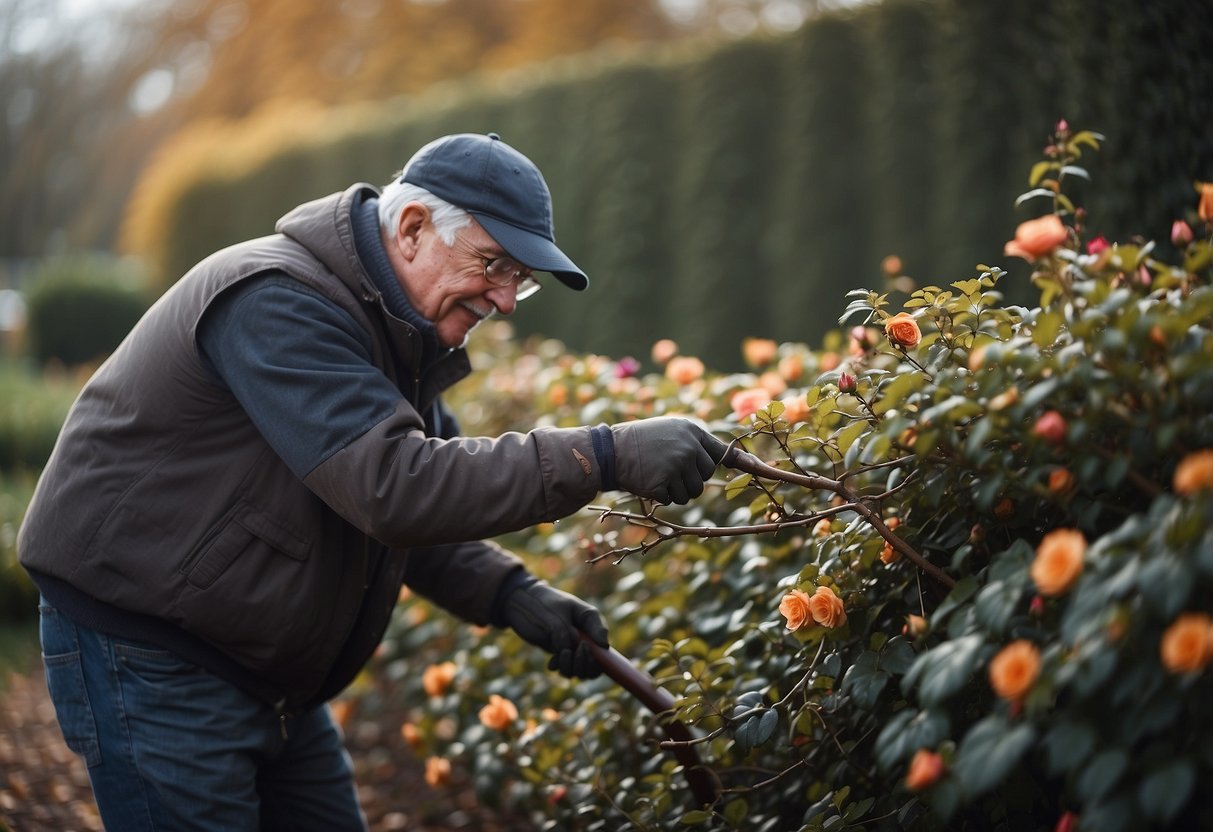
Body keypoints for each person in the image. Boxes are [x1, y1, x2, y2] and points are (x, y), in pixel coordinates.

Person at [18, 132, 727, 830]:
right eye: (494, 264)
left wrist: (513, 595)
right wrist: (602, 455)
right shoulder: (277, 303)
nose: (507, 300)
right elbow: (397, 489)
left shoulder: (394, 330)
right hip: (153, 653)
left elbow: (417, 506)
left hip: (265, 667)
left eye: (522, 279)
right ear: (413, 228)